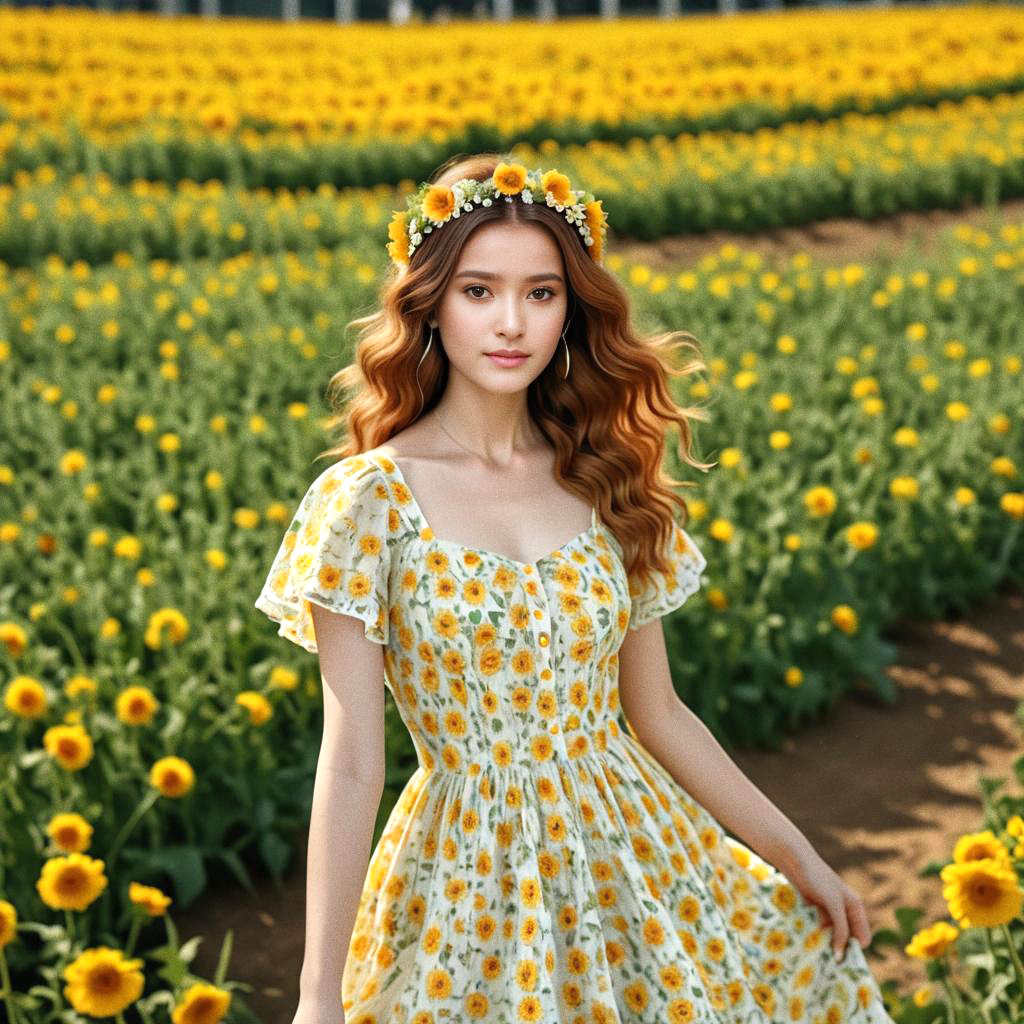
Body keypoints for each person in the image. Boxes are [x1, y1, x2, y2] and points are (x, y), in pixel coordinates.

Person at [256, 153, 895, 1024]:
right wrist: (316, 996)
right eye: (479, 291)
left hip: (635, 858)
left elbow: (659, 713)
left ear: (571, 309)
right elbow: (354, 760)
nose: (511, 322)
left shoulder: (602, 479)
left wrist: (798, 858)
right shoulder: (366, 501)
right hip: (468, 882)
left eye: (542, 293)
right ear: (431, 304)